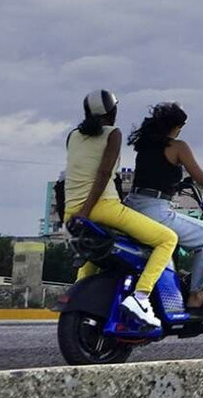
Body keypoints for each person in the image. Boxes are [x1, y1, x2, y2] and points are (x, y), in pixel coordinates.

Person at [65, 90, 177, 328]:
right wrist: (87, 210)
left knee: (97, 248)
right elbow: (104, 173)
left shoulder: (72, 136)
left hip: (70, 211)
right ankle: (141, 297)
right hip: (102, 207)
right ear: (112, 111)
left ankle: (78, 291)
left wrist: (80, 212)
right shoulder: (113, 134)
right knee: (167, 239)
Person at [125, 102, 203, 311]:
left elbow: (154, 174)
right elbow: (202, 179)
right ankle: (197, 295)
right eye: (181, 126)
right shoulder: (178, 147)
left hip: (131, 206)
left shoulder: (145, 145)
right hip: (155, 210)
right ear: (175, 126)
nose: (181, 130)